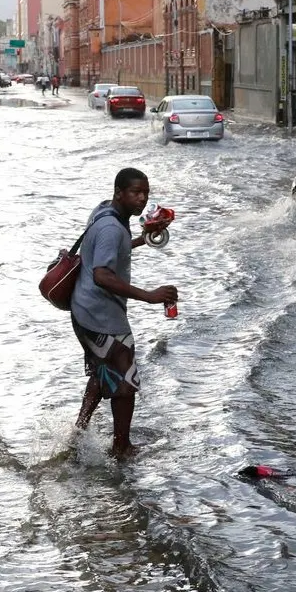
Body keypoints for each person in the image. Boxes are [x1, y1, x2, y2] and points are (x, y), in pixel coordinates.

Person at [70, 168, 178, 457]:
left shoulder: (105, 212)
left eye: (145, 193)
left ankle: (79, 430)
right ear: (119, 192)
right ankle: (121, 447)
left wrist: (144, 238)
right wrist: (149, 296)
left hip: (83, 310)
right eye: (135, 193)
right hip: (101, 315)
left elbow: (111, 250)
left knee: (104, 368)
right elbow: (102, 275)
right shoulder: (111, 228)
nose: (142, 199)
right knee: (126, 379)